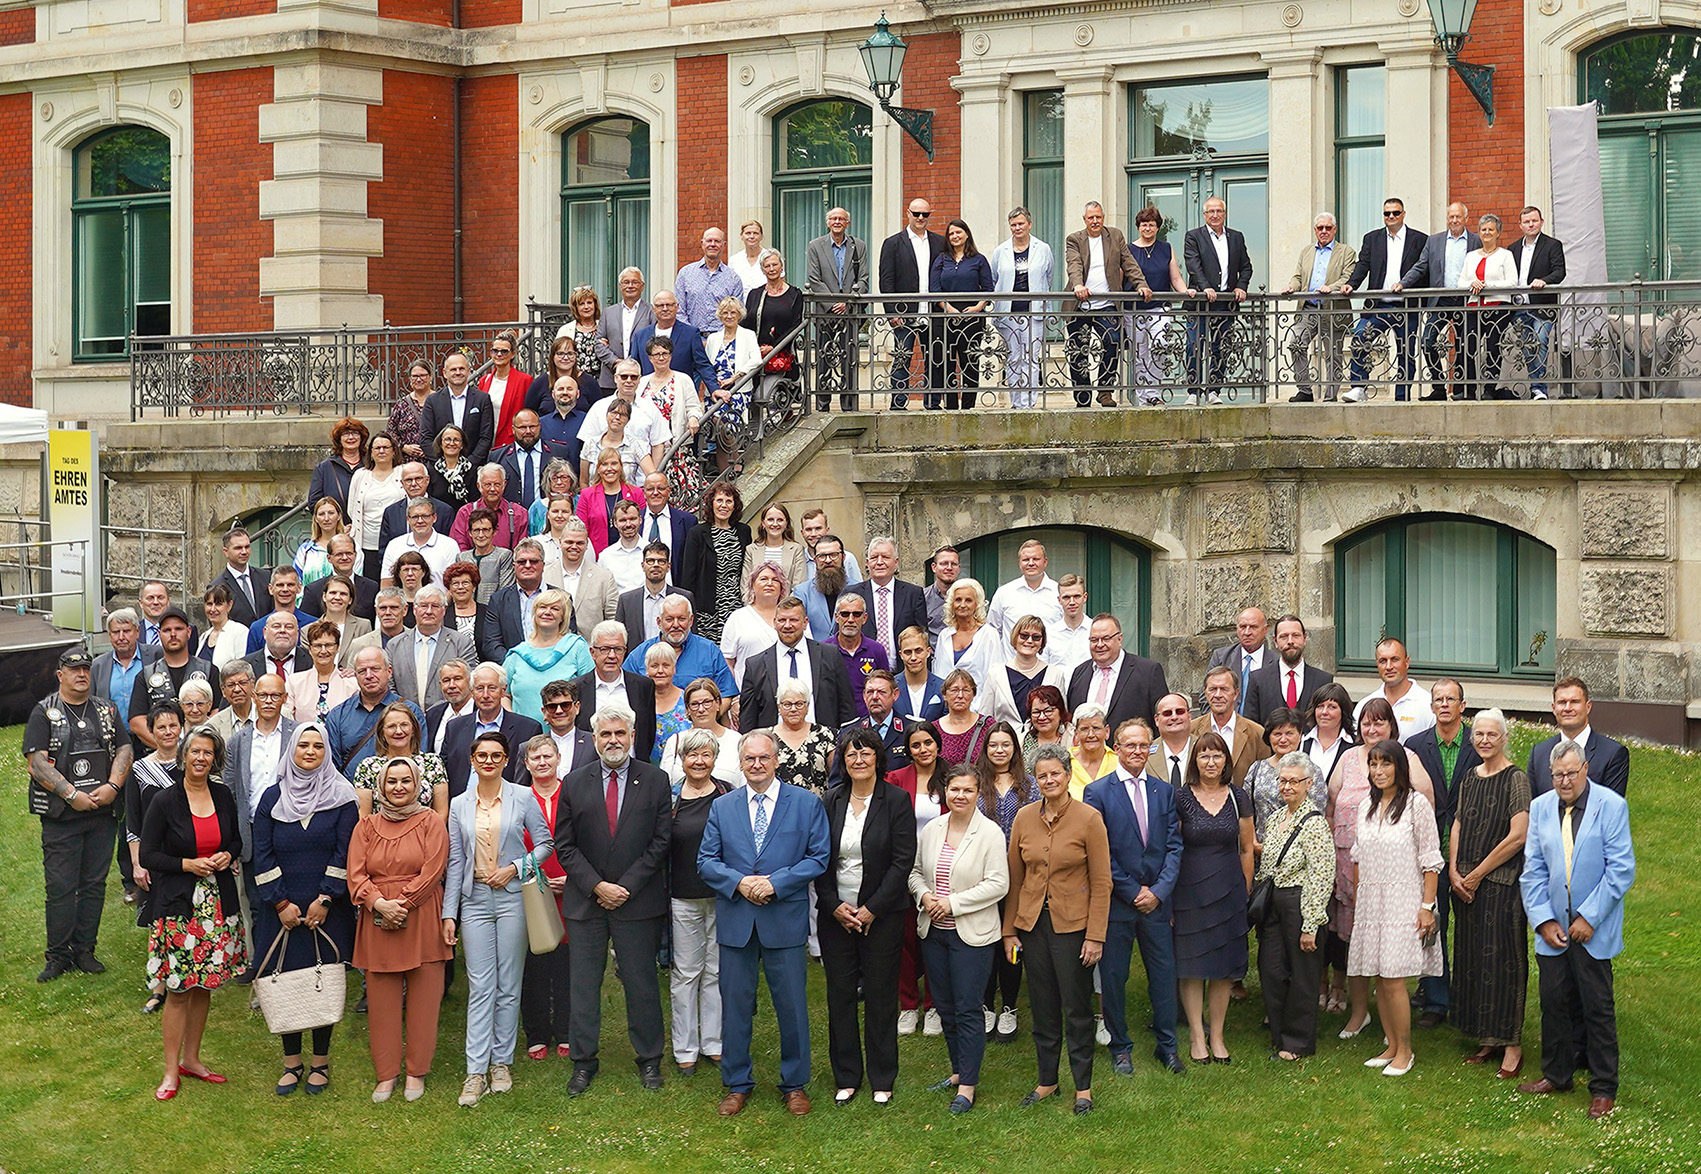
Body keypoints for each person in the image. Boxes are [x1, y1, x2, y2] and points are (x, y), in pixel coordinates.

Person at [698, 731, 832, 1117]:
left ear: (776, 761)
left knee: (791, 1005)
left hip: (783, 920)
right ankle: (737, 1083)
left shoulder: (805, 804)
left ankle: (794, 1084)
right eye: (749, 759)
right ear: (740, 763)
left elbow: (817, 857)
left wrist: (776, 882)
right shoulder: (723, 807)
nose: (756, 765)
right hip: (737, 919)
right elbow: (705, 861)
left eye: (763, 758)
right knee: (735, 1006)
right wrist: (739, 882)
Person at [552, 704, 671, 1097]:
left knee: (641, 984)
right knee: (583, 986)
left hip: (637, 902)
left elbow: (660, 842)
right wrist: (596, 886)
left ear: (632, 736)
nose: (614, 741)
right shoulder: (573, 782)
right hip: (587, 902)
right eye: (606, 734)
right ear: (595, 738)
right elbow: (565, 846)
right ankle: (583, 1062)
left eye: (620, 733)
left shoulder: (655, 780)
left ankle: (650, 1059)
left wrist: (627, 886)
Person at [1517, 738, 1635, 1119]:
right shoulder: (1539, 808)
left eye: (1570, 773)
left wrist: (1589, 917)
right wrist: (1544, 920)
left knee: (1597, 1007)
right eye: (1557, 775)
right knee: (1554, 1003)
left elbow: (1621, 869)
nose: (1564, 781)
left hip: (1593, 930)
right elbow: (1532, 869)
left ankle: (1603, 1087)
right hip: (1553, 930)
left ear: (1585, 769)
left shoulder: (1611, 806)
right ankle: (1556, 1074)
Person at [443, 730, 555, 1106]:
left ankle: (501, 1063)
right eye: (481, 756)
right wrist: (449, 914)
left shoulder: (522, 797)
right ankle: (475, 1071)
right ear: (472, 761)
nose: (488, 761)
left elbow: (544, 844)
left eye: (496, 755)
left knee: (508, 984)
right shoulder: (459, 805)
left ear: (507, 760)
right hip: (474, 901)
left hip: (511, 899)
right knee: (480, 985)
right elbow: (455, 860)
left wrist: (516, 868)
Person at [137, 725, 245, 1100]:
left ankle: (193, 1060)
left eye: (208, 753)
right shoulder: (164, 801)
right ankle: (170, 1072)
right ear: (183, 755)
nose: (201, 758)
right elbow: (148, 855)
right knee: (179, 989)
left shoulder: (222, 794)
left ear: (216, 759)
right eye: (195, 751)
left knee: (204, 986)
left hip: (217, 906)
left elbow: (235, 839)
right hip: (180, 908)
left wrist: (227, 854)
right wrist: (187, 864)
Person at [251, 722, 359, 1095]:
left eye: (317, 746)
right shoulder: (271, 798)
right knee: (286, 979)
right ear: (292, 751)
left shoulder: (343, 796)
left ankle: (321, 1062)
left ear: (326, 752)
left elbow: (346, 851)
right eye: (303, 746)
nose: (310, 752)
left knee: (321, 980)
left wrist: (326, 898)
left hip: (327, 908)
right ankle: (291, 1062)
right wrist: (281, 902)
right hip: (280, 908)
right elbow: (261, 854)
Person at [1004, 743, 1110, 1113]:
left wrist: (1095, 935)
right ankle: (1047, 1080)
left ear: (1068, 775)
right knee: (1043, 1007)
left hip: (1073, 928)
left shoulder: (1089, 818)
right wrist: (1010, 932)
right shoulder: (1023, 818)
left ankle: (1083, 1087)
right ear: (1035, 778)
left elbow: (1102, 882)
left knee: (1076, 1009)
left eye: (1056, 774)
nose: (1049, 780)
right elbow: (1015, 879)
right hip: (1032, 926)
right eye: (1042, 774)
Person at [817, 729, 916, 1106]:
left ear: (878, 757)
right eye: (851, 754)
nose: (858, 760)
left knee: (879, 996)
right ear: (843, 761)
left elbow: (902, 860)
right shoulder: (830, 801)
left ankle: (882, 1076)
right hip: (836, 915)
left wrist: (872, 908)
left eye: (866, 753)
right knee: (840, 996)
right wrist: (832, 905)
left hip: (883, 915)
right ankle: (846, 1075)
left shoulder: (896, 800)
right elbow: (818, 858)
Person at [347, 756, 453, 1103]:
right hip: (377, 919)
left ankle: (416, 1071)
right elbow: (356, 873)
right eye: (391, 781)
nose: (398, 787)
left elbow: (433, 870)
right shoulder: (365, 826)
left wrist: (402, 905)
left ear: (417, 784)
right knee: (382, 1000)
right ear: (380, 787)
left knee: (424, 999)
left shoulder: (431, 821)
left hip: (421, 917)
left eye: (405, 780)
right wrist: (379, 904)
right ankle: (386, 1073)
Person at [1083, 718, 1186, 1075]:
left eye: (1145, 746)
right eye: (1131, 746)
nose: (1139, 752)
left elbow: (1174, 847)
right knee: (1113, 977)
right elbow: (1099, 852)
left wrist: (1158, 892)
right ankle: (1119, 1045)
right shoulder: (1097, 792)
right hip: (1118, 903)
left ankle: (1167, 1045)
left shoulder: (1164, 791)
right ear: (1117, 748)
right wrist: (1131, 890)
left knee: (1163, 974)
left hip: (1157, 903)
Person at [24, 646, 132, 982]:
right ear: (60, 675)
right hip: (62, 817)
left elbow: (125, 747)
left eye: (86, 669)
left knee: (93, 885)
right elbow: (36, 763)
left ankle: (85, 950)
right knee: (60, 886)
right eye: (74, 670)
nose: (81, 674)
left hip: (101, 813)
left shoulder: (104, 709)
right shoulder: (44, 712)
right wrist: (71, 795)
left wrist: (114, 785)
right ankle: (58, 956)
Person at [1327, 696, 1434, 1035]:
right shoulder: (1350, 765)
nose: (1372, 728)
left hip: (1399, 877)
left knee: (1390, 965)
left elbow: (1426, 826)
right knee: (1357, 946)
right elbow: (1332, 802)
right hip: (1355, 870)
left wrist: (1425, 902)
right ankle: (1361, 1014)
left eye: (1379, 722)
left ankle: (1399, 1042)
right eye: (1366, 722)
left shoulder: (1409, 772)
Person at [907, 761, 1007, 1114]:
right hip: (934, 932)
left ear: (978, 793)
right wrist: (925, 897)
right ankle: (956, 1071)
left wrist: (952, 903)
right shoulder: (933, 829)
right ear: (944, 792)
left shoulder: (991, 833)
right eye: (954, 789)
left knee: (967, 1008)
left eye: (968, 790)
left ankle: (968, 1086)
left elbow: (998, 884)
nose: (960, 795)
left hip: (972, 936)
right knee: (945, 1007)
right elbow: (916, 873)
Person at [1346, 739, 1443, 1076]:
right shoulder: (1365, 807)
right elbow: (1357, 856)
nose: (1378, 771)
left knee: (1393, 979)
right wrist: (1360, 900)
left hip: (1405, 901)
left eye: (1385, 764)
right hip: (1372, 903)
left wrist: (1427, 906)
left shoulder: (1417, 805)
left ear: (1399, 767)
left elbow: (1431, 860)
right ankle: (1390, 1044)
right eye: (1373, 764)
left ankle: (1406, 1051)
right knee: (1378, 977)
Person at [1449, 709, 1531, 1078]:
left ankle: (1512, 1045)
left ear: (1503, 738)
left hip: (1501, 886)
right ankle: (1488, 1037)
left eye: (1491, 735)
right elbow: (1458, 823)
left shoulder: (1517, 779)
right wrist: (1453, 869)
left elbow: (1518, 836)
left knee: (1504, 964)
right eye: (1478, 734)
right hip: (1465, 886)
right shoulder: (1470, 777)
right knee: (1474, 963)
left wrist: (1478, 873)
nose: (1484, 740)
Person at [1173, 732, 1254, 1064]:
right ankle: (1196, 1035)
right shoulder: (1180, 797)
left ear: (1226, 761)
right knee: (1192, 967)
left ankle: (1217, 1035)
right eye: (1204, 755)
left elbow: (1247, 848)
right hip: (1189, 891)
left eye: (1217, 755)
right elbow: (1172, 847)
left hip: (1229, 889)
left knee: (1222, 968)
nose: (1210, 761)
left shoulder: (1239, 796)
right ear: (1195, 760)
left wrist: (1245, 890)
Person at [1407, 677, 1481, 1026]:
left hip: (1471, 849)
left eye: (1452, 699)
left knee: (1469, 929)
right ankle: (1435, 999)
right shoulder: (1415, 745)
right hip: (1427, 846)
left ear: (1462, 706)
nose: (1445, 704)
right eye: (1439, 699)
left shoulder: (1478, 741)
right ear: (1432, 706)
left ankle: (1468, 997)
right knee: (1432, 924)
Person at [1253, 751, 1335, 1060]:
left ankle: (1297, 1043)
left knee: (1303, 975)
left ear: (1309, 783)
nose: (1287, 787)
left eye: (1294, 781)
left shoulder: (1314, 823)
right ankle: (1279, 1033)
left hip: (1301, 902)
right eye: (1282, 780)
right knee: (1271, 970)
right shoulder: (1276, 818)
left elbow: (1322, 874)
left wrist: (1311, 924)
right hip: (1275, 902)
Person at [670, 728, 733, 1074]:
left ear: (714, 758)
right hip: (683, 895)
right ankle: (685, 1047)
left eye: (705, 755)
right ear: (682, 760)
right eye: (692, 755)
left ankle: (713, 1042)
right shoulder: (671, 798)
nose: (698, 761)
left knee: (715, 970)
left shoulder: (727, 794)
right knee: (686, 973)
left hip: (722, 896)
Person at [1340, 197, 1429, 403]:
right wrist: (1352, 284)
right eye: (1387, 213)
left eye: (1395, 213)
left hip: (1407, 307)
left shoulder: (1420, 239)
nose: (1391, 217)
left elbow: (1425, 270)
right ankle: (1359, 388)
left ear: (1403, 214)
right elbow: (1362, 265)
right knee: (1360, 339)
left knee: (1406, 352)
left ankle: (1402, 396)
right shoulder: (1372, 238)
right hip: (1377, 304)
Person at [126, 702, 185, 1012]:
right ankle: (158, 986)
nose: (167, 732)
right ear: (151, 731)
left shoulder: (193, 763)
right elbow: (132, 822)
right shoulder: (139, 769)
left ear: (181, 727)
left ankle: (189, 976)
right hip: (154, 857)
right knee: (158, 923)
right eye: (161, 727)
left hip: (188, 856)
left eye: (173, 725)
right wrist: (137, 863)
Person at [1396, 201, 1481, 401]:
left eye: (1458, 216)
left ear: (1466, 219)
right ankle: (1439, 387)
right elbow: (1421, 266)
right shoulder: (1435, 241)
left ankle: (1463, 390)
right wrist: (1403, 283)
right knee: (1428, 342)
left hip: (1465, 299)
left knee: (1465, 345)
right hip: (1440, 300)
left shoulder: (1476, 241)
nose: (1454, 220)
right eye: (1451, 217)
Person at [1064, 201, 1138, 406]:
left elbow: (1129, 263)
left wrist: (1141, 285)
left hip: (1106, 304)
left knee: (1112, 342)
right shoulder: (1074, 239)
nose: (1095, 221)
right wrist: (1078, 285)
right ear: (1084, 220)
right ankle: (1083, 396)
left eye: (1098, 217)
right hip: (1079, 305)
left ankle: (1105, 391)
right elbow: (1074, 264)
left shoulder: (1115, 236)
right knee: (1079, 351)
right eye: (1091, 218)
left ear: (1103, 217)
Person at [1182, 196, 1254, 405]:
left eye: (1219, 211)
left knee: (1221, 346)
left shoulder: (1236, 237)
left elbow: (1246, 266)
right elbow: (1193, 265)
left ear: (1225, 213)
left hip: (1226, 303)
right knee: (1194, 345)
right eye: (1211, 212)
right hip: (1200, 304)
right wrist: (1206, 288)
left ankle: (1214, 390)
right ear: (1204, 215)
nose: (1215, 215)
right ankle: (1193, 392)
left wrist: (1241, 286)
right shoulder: (1194, 236)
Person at [878, 197, 947, 407]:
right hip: (903, 312)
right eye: (916, 213)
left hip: (933, 312)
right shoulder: (892, 243)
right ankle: (898, 404)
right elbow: (886, 281)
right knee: (901, 359)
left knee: (935, 359)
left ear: (929, 215)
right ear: (907, 213)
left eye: (924, 214)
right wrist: (891, 313)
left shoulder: (939, 242)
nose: (920, 218)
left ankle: (933, 403)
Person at [1282, 212, 1357, 402]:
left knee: (1333, 354)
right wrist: (1292, 286)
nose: (1324, 231)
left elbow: (1348, 277)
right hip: (1308, 308)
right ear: (1315, 230)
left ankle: (1330, 396)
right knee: (1296, 344)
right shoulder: (1307, 251)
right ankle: (1305, 390)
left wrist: (1331, 288)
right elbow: (1298, 276)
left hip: (1333, 309)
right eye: (1320, 228)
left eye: (1328, 228)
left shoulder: (1346, 251)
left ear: (1335, 229)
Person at [804, 206, 870, 411]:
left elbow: (864, 280)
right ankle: (822, 404)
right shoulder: (815, 246)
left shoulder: (858, 246)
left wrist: (847, 303)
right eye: (833, 218)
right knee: (824, 357)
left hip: (850, 313)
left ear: (847, 223)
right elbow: (814, 280)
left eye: (841, 219)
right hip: (825, 312)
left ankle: (849, 403)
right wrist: (833, 304)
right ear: (827, 223)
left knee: (849, 358)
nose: (837, 222)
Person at [439, 663, 543, 794]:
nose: (485, 695)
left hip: (508, 805)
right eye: (480, 688)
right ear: (472, 692)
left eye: (492, 688)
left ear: (503, 690)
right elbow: (444, 773)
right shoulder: (454, 727)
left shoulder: (528, 729)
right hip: (463, 806)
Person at [989, 206, 1055, 408]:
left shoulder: (1042, 248)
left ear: (1029, 224)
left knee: (1031, 358)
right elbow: (994, 278)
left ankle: (1028, 402)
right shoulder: (1001, 251)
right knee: (1014, 358)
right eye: (1013, 225)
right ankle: (1016, 401)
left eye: (1021, 224)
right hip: (1009, 314)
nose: (1017, 228)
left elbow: (1048, 277)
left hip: (1033, 312)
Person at [929, 217, 993, 410]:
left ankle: (968, 408)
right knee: (946, 362)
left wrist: (977, 307)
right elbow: (934, 289)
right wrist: (948, 308)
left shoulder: (979, 259)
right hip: (945, 317)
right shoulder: (941, 259)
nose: (955, 236)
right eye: (951, 234)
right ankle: (950, 406)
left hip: (972, 319)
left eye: (958, 232)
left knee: (969, 362)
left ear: (966, 234)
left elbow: (989, 289)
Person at [1527, 677, 1630, 798]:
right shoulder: (1539, 754)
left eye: (1574, 702)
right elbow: (1532, 807)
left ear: (1588, 707)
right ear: (1554, 708)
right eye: (1562, 702)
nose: (1567, 708)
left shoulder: (1613, 754)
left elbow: (1611, 808)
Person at [1065, 613, 1169, 731]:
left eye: (1106, 639)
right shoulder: (1079, 673)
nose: (1099, 645)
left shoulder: (1148, 672)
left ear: (1120, 639)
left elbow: (1163, 719)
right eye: (1094, 640)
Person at [348, 701, 451, 819]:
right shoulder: (368, 767)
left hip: (425, 835)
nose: (398, 731)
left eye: (404, 725)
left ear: (413, 729)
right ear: (382, 733)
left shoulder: (433, 763)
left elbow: (441, 814)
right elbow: (364, 817)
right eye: (391, 726)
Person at [1456, 213, 1520, 400]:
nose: (1487, 232)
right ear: (1479, 232)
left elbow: (1512, 283)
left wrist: (1486, 287)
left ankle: (1489, 390)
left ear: (1498, 232)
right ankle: (1468, 390)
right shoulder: (1471, 256)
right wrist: (1472, 284)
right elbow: (1461, 283)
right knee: (1467, 346)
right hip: (1474, 307)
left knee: (1493, 348)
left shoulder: (1505, 255)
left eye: (1491, 229)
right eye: (1483, 229)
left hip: (1497, 307)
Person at [502, 590, 592, 723]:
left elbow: (590, 689)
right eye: (542, 607)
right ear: (534, 612)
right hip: (524, 738)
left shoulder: (576, 647)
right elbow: (502, 694)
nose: (547, 612)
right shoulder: (517, 654)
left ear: (563, 616)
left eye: (555, 608)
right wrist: (512, 721)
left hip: (566, 733)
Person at [679, 481, 751, 643]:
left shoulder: (743, 531)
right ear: (711, 504)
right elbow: (688, 576)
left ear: (734, 506)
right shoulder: (697, 533)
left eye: (728, 501)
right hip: (707, 609)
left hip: (736, 606)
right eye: (719, 500)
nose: (723, 505)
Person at [1508, 205, 1566, 400]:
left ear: (1541, 222)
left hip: (1542, 306)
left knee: (1540, 339)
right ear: (1520, 225)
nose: (1531, 224)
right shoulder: (1512, 249)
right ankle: (1536, 386)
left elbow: (1560, 272)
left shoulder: (1552, 245)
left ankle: (1538, 387)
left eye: (1534, 220)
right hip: (1519, 306)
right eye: (1526, 221)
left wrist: (1545, 281)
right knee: (1526, 345)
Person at [1246, 707, 1326, 846]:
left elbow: (1317, 813)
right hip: (1260, 849)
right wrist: (1253, 842)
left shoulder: (1312, 772)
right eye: (1277, 734)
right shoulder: (1257, 768)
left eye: (1289, 733)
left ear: (1300, 735)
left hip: (1297, 850)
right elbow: (1246, 810)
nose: (1283, 739)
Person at [744, 248, 805, 416]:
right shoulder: (755, 294)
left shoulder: (794, 294)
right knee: (752, 398)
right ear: (763, 269)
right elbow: (746, 324)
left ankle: (780, 420)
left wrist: (774, 347)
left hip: (781, 355)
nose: (771, 268)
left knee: (767, 396)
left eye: (774, 264)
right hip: (756, 355)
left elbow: (795, 325)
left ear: (781, 266)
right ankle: (755, 431)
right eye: (767, 266)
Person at [1246, 614, 1334, 727]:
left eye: (1296, 635)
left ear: (1304, 639)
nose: (1290, 641)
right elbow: (1251, 726)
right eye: (1284, 637)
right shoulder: (1258, 679)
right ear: (1276, 642)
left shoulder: (1323, 680)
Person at [1191, 665, 1266, 788]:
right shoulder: (1191, 730)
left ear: (1236, 694)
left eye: (1224, 689)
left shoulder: (1256, 733)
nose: (1218, 695)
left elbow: (1263, 778)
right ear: (1205, 692)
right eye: (1213, 689)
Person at [481, 539, 552, 664]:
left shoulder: (561, 599)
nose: (528, 565)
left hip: (553, 670)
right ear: (514, 567)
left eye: (534, 561)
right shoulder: (498, 600)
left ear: (543, 565)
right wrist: (516, 664)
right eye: (522, 562)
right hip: (512, 672)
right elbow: (491, 644)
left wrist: (547, 664)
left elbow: (567, 639)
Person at [346, 432, 406, 581]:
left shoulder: (403, 472)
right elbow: (352, 508)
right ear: (371, 452)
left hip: (396, 541)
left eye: (386, 447)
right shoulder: (360, 475)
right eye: (377, 448)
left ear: (394, 451)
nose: (381, 451)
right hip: (367, 544)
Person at [931, 577, 1003, 697]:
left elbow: (994, 677)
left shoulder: (989, 634)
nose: (962, 605)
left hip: (978, 707)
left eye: (968, 600)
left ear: (977, 604)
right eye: (958, 600)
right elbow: (938, 672)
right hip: (947, 708)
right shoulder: (944, 635)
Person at [1353, 636, 1435, 741]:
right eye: (1383, 661)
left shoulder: (1427, 704)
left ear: (1407, 662)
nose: (1389, 666)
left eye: (1394, 659)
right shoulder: (1364, 705)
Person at [719, 564, 784, 688]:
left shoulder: (790, 617)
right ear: (752, 585)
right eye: (763, 579)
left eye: (775, 580)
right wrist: (735, 696)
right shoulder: (737, 618)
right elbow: (727, 662)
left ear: (782, 587)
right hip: (748, 692)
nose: (770, 583)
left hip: (786, 696)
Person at [635, 336, 705, 448]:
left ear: (670, 355)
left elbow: (693, 407)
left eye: (665, 353)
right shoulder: (642, 382)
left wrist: (693, 418)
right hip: (646, 444)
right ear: (650, 358)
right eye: (657, 354)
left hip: (674, 444)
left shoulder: (683, 379)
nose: (661, 358)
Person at [596, 268, 656, 396]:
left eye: (635, 282)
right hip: (611, 380)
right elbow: (598, 343)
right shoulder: (608, 312)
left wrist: (632, 366)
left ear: (643, 286)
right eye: (626, 282)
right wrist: (616, 363)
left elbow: (655, 343)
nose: (630, 286)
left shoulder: (652, 311)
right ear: (620, 286)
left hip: (641, 377)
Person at [287, 619, 360, 724]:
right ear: (310, 649)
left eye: (329, 645)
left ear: (337, 647)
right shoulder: (294, 682)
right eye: (317, 646)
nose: (323, 651)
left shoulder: (352, 683)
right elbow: (288, 718)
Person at [770, 679, 836, 796]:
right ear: (779, 707)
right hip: (779, 808)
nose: (794, 709)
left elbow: (836, 778)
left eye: (799, 704)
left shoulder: (826, 735)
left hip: (817, 808)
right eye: (787, 704)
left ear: (808, 706)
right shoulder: (767, 738)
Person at [705, 295, 761, 423]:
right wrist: (714, 385)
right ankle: (724, 442)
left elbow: (757, 359)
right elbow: (707, 365)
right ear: (720, 315)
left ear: (739, 315)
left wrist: (734, 378)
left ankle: (730, 442)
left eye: (733, 312)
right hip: (717, 390)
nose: (729, 316)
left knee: (722, 420)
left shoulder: (748, 335)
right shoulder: (713, 338)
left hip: (738, 389)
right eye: (725, 313)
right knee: (714, 419)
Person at [450, 465, 531, 554]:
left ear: (504, 485)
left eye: (497, 484)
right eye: (487, 485)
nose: (492, 489)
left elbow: (522, 551)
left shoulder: (519, 513)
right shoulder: (465, 513)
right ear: (479, 486)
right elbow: (459, 548)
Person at [308, 416, 368, 524]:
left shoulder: (371, 465)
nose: (351, 437)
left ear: (361, 437)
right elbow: (314, 504)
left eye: (355, 433)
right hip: (336, 532)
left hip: (367, 530)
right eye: (345, 434)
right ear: (339, 439)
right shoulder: (324, 468)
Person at [210, 526, 269, 630]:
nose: (244, 552)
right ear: (225, 551)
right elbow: (217, 623)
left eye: (247, 547)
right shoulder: (217, 586)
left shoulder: (265, 576)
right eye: (238, 548)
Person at [740, 503, 808, 592]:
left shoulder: (796, 550)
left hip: (787, 605)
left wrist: (785, 606)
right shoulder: (751, 550)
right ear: (763, 523)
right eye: (770, 520)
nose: (775, 524)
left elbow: (799, 587)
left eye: (780, 520)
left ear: (786, 523)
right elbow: (746, 585)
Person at [642, 642, 690, 766]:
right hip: (648, 772)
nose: (660, 671)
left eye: (666, 665)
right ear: (647, 670)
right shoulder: (639, 700)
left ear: (674, 669)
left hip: (682, 770)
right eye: (654, 666)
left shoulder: (687, 700)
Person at [1303, 680, 1356, 791]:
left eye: (1332, 707)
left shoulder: (1355, 746)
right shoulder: (1301, 741)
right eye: (1320, 706)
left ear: (1343, 711)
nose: (1324, 712)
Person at [292, 496, 345, 588]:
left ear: (339, 516)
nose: (326, 518)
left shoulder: (350, 547)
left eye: (331, 513)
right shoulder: (305, 550)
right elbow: (296, 581)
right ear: (316, 518)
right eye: (321, 514)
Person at [895, 625, 946, 722]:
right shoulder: (891, 687)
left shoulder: (943, 687)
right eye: (908, 652)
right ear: (901, 655)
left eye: (918, 651)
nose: (913, 657)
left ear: (928, 652)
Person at [391, 359, 436, 461]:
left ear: (430, 377)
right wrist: (403, 447)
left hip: (435, 462)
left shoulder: (440, 401)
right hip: (408, 463)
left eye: (423, 375)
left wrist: (431, 449)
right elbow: (391, 432)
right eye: (415, 376)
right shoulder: (402, 405)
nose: (419, 379)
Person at [198, 584, 251, 670]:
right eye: (209, 604)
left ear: (229, 605)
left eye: (218, 604)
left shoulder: (239, 632)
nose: (213, 609)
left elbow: (243, 668)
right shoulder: (204, 636)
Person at [427, 425, 480, 510]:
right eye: (447, 439)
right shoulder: (431, 469)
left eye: (456, 440)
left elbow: (475, 502)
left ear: (462, 445)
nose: (451, 443)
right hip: (439, 520)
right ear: (440, 443)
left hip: (465, 519)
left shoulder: (472, 470)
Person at [1066, 702, 1112, 799]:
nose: (1091, 735)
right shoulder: (1064, 762)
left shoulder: (1119, 762)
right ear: (1076, 734)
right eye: (1084, 729)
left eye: (1096, 728)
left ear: (1107, 731)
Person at [443, 560, 493, 648]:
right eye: (455, 584)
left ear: (474, 587)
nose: (460, 587)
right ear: (449, 589)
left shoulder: (488, 612)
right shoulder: (443, 613)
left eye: (465, 583)